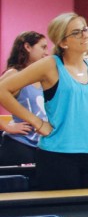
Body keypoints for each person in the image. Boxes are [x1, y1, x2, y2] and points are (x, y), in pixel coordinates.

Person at [0, 13, 88, 190]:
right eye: (76, 32)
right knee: (64, 213)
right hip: (58, 155)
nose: (85, 35)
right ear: (63, 42)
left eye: (85, 29)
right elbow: (2, 90)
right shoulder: (50, 65)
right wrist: (37, 122)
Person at [0, 31, 49, 166]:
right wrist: (6, 127)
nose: (47, 52)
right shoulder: (14, 74)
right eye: (43, 47)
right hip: (19, 146)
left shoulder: (43, 77)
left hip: (41, 146)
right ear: (27, 47)